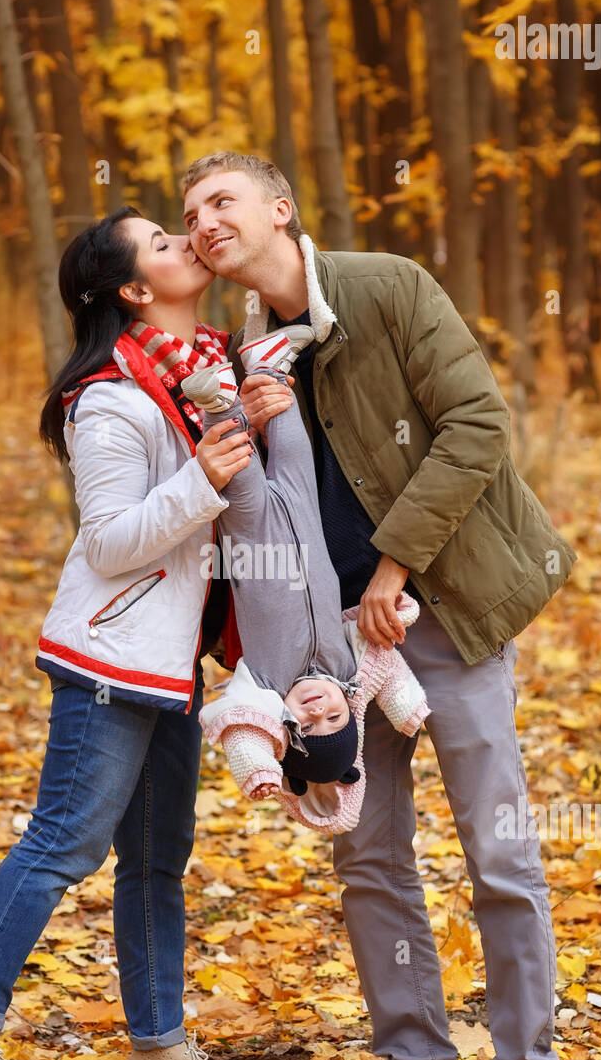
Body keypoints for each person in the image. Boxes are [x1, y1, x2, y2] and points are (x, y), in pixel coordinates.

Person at [181, 152, 577, 1060]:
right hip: (332, 646)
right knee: (366, 853)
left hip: (439, 605)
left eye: (221, 200)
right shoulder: (244, 350)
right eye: (190, 213)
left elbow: (476, 424)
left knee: (496, 850)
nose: (204, 221)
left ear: (280, 208)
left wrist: (396, 567)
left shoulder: (386, 284)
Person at [0, 207, 260, 1060]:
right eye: (162, 242)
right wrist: (207, 477)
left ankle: (158, 1044)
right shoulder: (111, 397)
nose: (186, 241)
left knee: (157, 860)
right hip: (110, 658)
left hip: (173, 664)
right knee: (60, 845)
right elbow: (111, 541)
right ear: (133, 291)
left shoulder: (202, 373)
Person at [181, 325, 430, 834]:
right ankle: (270, 365)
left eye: (304, 726)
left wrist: (261, 771)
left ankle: (216, 398)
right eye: (333, 720)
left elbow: (245, 728)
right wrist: (411, 712)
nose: (317, 711)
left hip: (252, 535)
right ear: (350, 712)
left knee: (239, 463)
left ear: (284, 724)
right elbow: (388, 670)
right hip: (306, 515)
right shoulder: (351, 666)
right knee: (293, 451)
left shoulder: (266, 688)